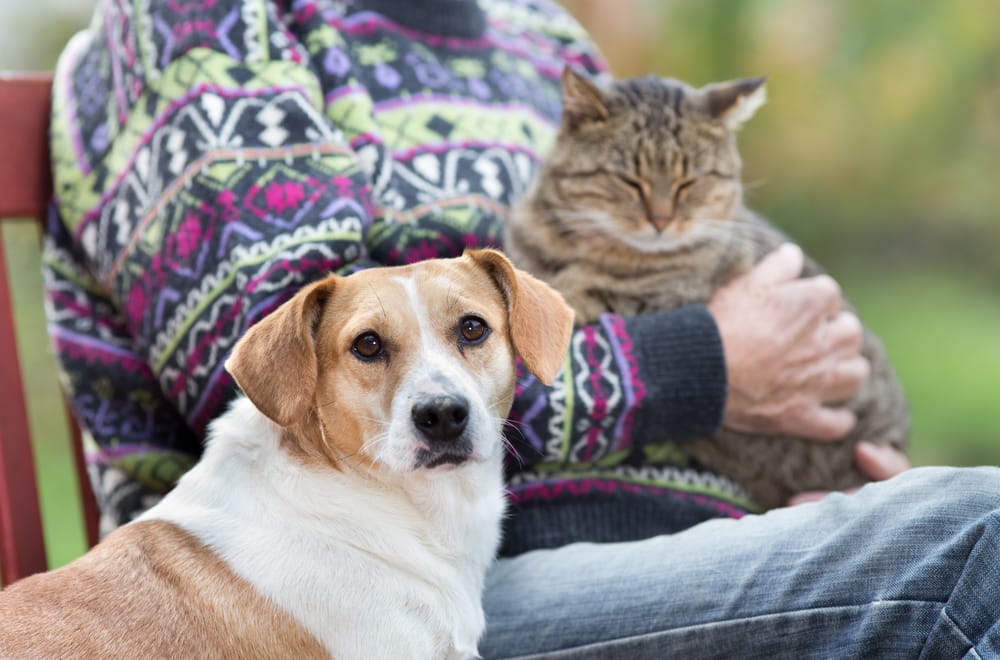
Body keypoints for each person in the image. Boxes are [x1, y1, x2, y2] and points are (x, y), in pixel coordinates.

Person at [44, 0, 999, 656]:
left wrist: (825, 478)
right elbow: (285, 377)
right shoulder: (204, 25)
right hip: (387, 585)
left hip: (701, 533)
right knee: (974, 536)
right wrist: (707, 360)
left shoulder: (542, 33)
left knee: (937, 527)